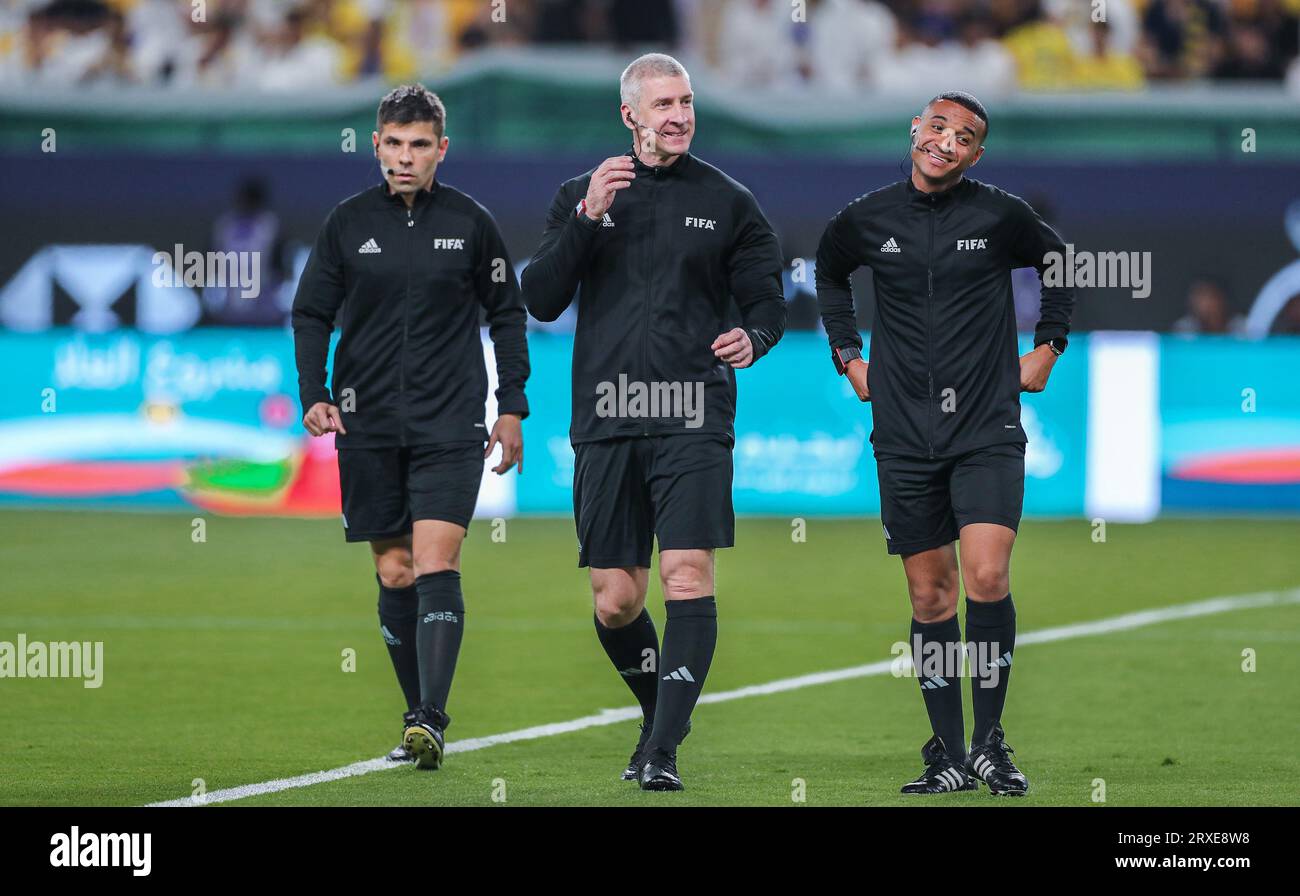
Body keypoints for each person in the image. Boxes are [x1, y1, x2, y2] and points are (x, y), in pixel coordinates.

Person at [521, 53, 786, 791]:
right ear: (629, 115)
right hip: (607, 418)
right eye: (663, 103)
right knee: (617, 598)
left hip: (693, 413)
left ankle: (662, 750)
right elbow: (539, 298)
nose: (678, 114)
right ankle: (660, 713)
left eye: (687, 101)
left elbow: (766, 301)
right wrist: (586, 219)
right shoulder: (583, 195)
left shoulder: (730, 201)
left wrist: (755, 339)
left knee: (687, 573)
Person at [816, 91, 1074, 796]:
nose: (947, 142)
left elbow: (1061, 264)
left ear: (977, 154)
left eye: (964, 136)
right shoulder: (865, 218)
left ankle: (990, 742)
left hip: (986, 424)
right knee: (931, 596)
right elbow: (829, 272)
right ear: (914, 131)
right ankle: (948, 753)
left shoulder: (1000, 215)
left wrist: (1049, 345)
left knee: (986, 577)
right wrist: (849, 356)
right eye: (938, 127)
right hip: (902, 430)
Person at [292, 84, 529, 770]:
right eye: (393, 144)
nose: (404, 157)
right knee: (394, 571)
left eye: (419, 145)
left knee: (436, 561)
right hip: (366, 424)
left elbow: (507, 313)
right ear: (375, 145)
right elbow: (312, 313)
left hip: (450, 422)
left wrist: (511, 405)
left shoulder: (471, 222)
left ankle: (431, 716)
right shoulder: (345, 223)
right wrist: (314, 392)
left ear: (441, 150)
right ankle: (415, 719)